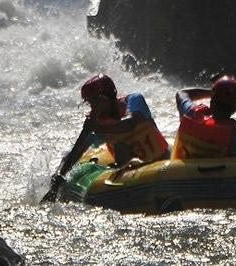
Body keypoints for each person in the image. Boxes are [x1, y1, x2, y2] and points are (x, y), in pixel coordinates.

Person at [43, 74, 169, 202]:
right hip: (129, 172)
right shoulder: (96, 120)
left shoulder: (134, 100)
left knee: (122, 140)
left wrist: (99, 128)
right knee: (120, 148)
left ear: (107, 98)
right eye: (91, 103)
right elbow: (76, 151)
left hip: (161, 160)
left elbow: (131, 123)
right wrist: (58, 181)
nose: (94, 108)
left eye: (96, 102)